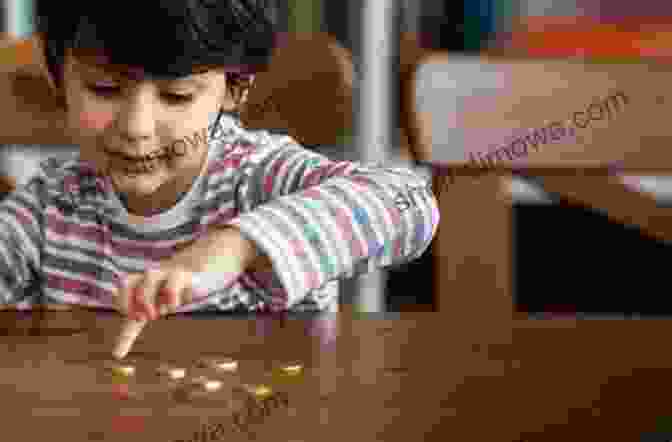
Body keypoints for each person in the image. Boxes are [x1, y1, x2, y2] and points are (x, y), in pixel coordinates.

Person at [0, 0, 440, 356]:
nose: (136, 127)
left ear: (235, 89)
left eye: (176, 96)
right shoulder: (48, 207)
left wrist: (237, 247)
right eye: (103, 90)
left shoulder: (257, 178)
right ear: (60, 81)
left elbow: (410, 202)